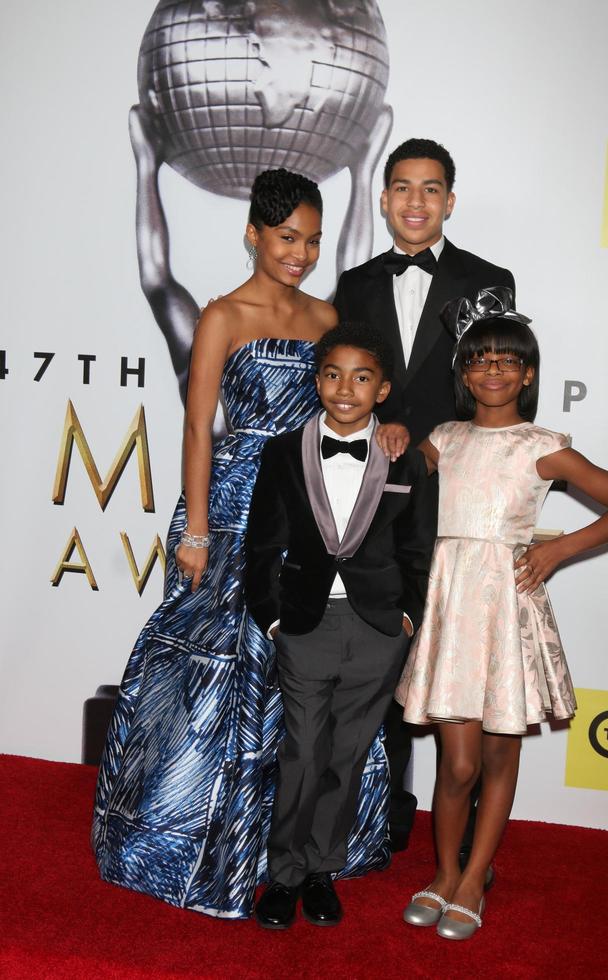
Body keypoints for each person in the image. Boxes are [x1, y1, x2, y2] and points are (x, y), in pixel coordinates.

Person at [92, 170, 390, 920]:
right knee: (209, 679)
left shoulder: (328, 315)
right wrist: (194, 529)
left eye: (313, 239)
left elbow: (346, 404)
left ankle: (292, 851)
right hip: (228, 513)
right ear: (254, 234)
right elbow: (199, 427)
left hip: (307, 508)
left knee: (301, 675)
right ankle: (198, 841)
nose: (301, 252)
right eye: (288, 237)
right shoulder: (222, 315)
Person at [396, 287, 608, 940]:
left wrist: (561, 548)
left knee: (498, 759)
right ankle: (445, 873)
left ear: (528, 373)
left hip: (506, 610)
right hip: (452, 609)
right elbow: (390, 478)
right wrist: (391, 433)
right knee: (456, 766)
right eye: (479, 359)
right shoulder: (444, 440)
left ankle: (473, 878)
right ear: (462, 370)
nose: (492, 371)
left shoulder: (541, 445)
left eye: (506, 361)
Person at [334, 137, 515, 853]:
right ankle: (383, 812)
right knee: (385, 653)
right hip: (375, 499)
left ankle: (465, 831)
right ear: (383, 200)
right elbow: (344, 385)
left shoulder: (487, 278)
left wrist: (438, 435)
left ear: (450, 199)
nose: (416, 202)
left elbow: (497, 387)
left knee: (458, 661)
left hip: (459, 496)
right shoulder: (352, 284)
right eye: (402, 188)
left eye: (431, 188)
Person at [244, 323, 432, 928]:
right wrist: (272, 618)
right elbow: (262, 544)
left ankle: (323, 869)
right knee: (301, 751)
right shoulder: (283, 450)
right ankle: (283, 875)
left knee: (346, 756)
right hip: (304, 621)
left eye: (361, 376)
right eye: (332, 373)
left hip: (378, 627)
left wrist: (408, 619)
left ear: (383, 390)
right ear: (316, 379)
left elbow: (418, 550)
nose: (344, 388)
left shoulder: (405, 454)